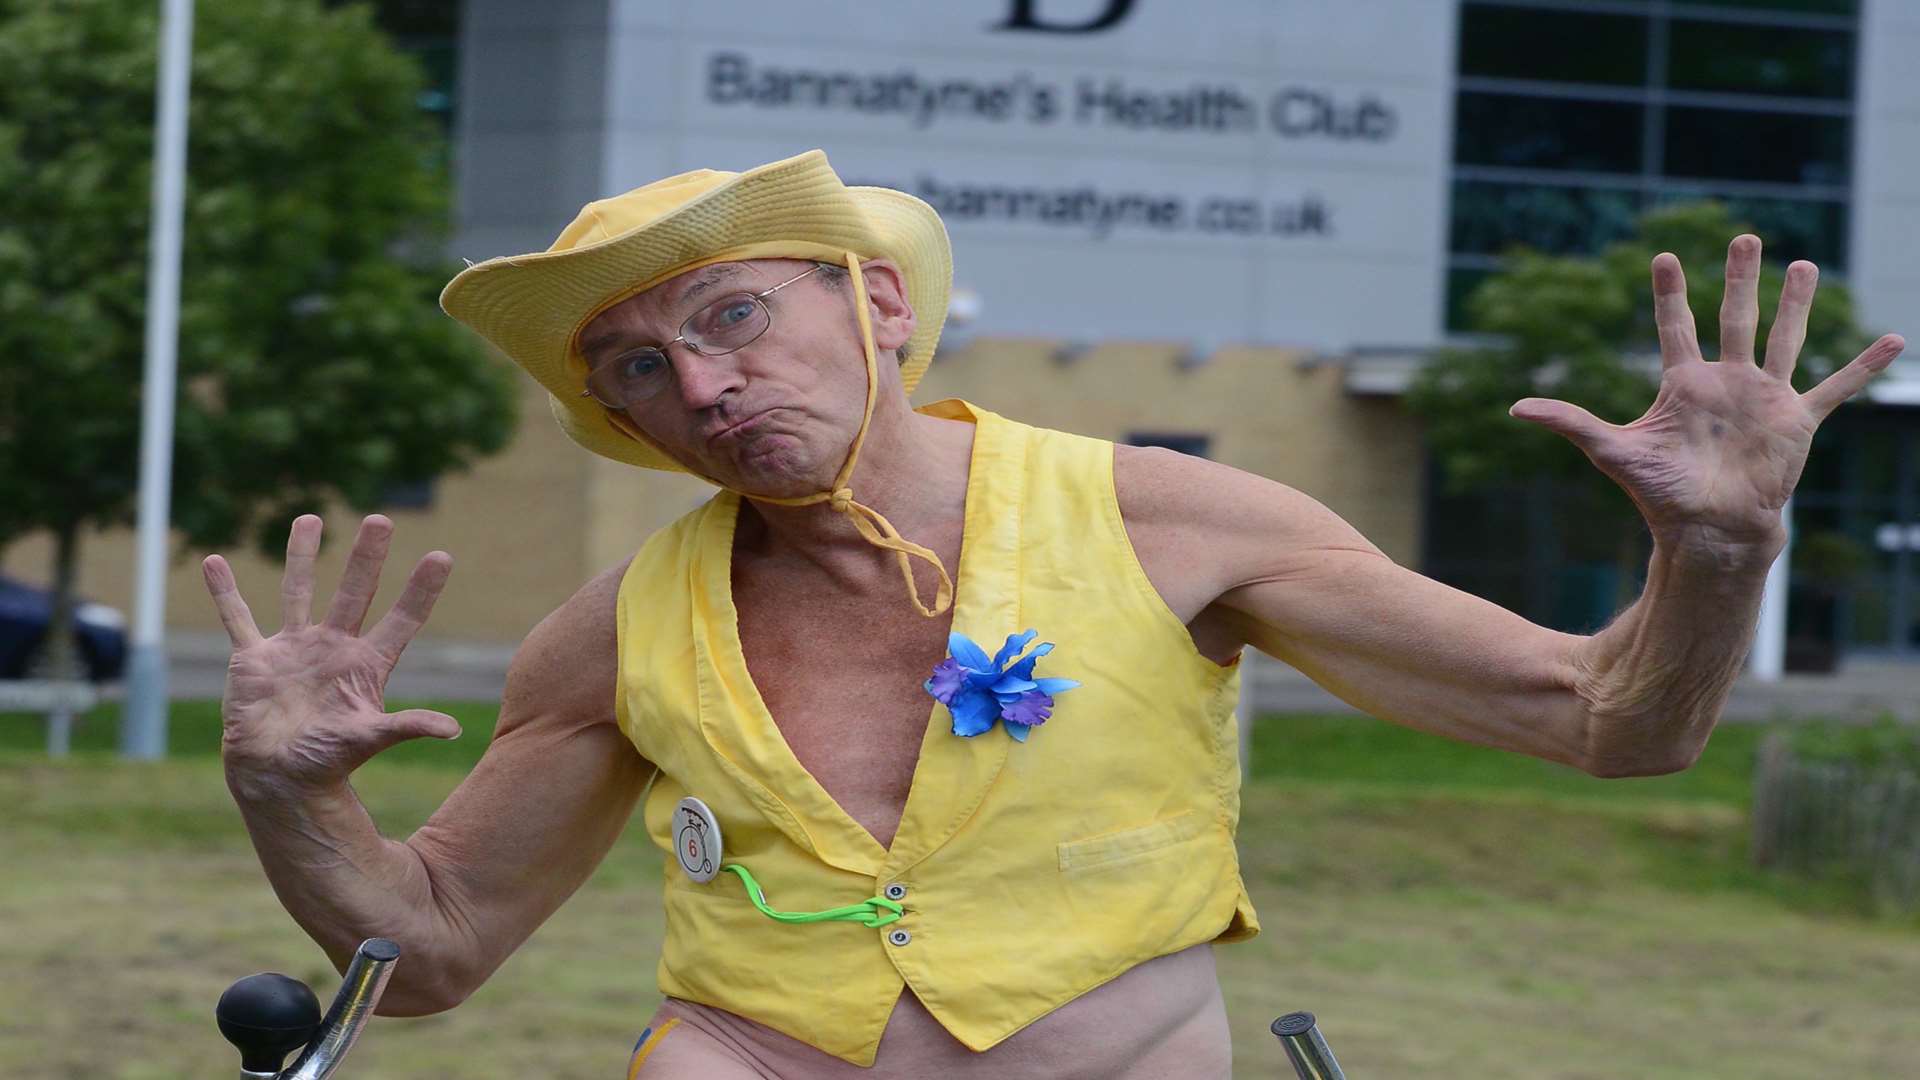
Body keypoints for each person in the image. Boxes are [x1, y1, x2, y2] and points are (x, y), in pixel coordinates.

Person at [201, 150, 1905, 1079]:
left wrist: (1720, 557)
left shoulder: (1170, 514)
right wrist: (298, 795)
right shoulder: (615, 631)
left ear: (873, 303)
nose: (702, 385)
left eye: (733, 317)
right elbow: (418, 963)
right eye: (639, 371)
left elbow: (1609, 721)